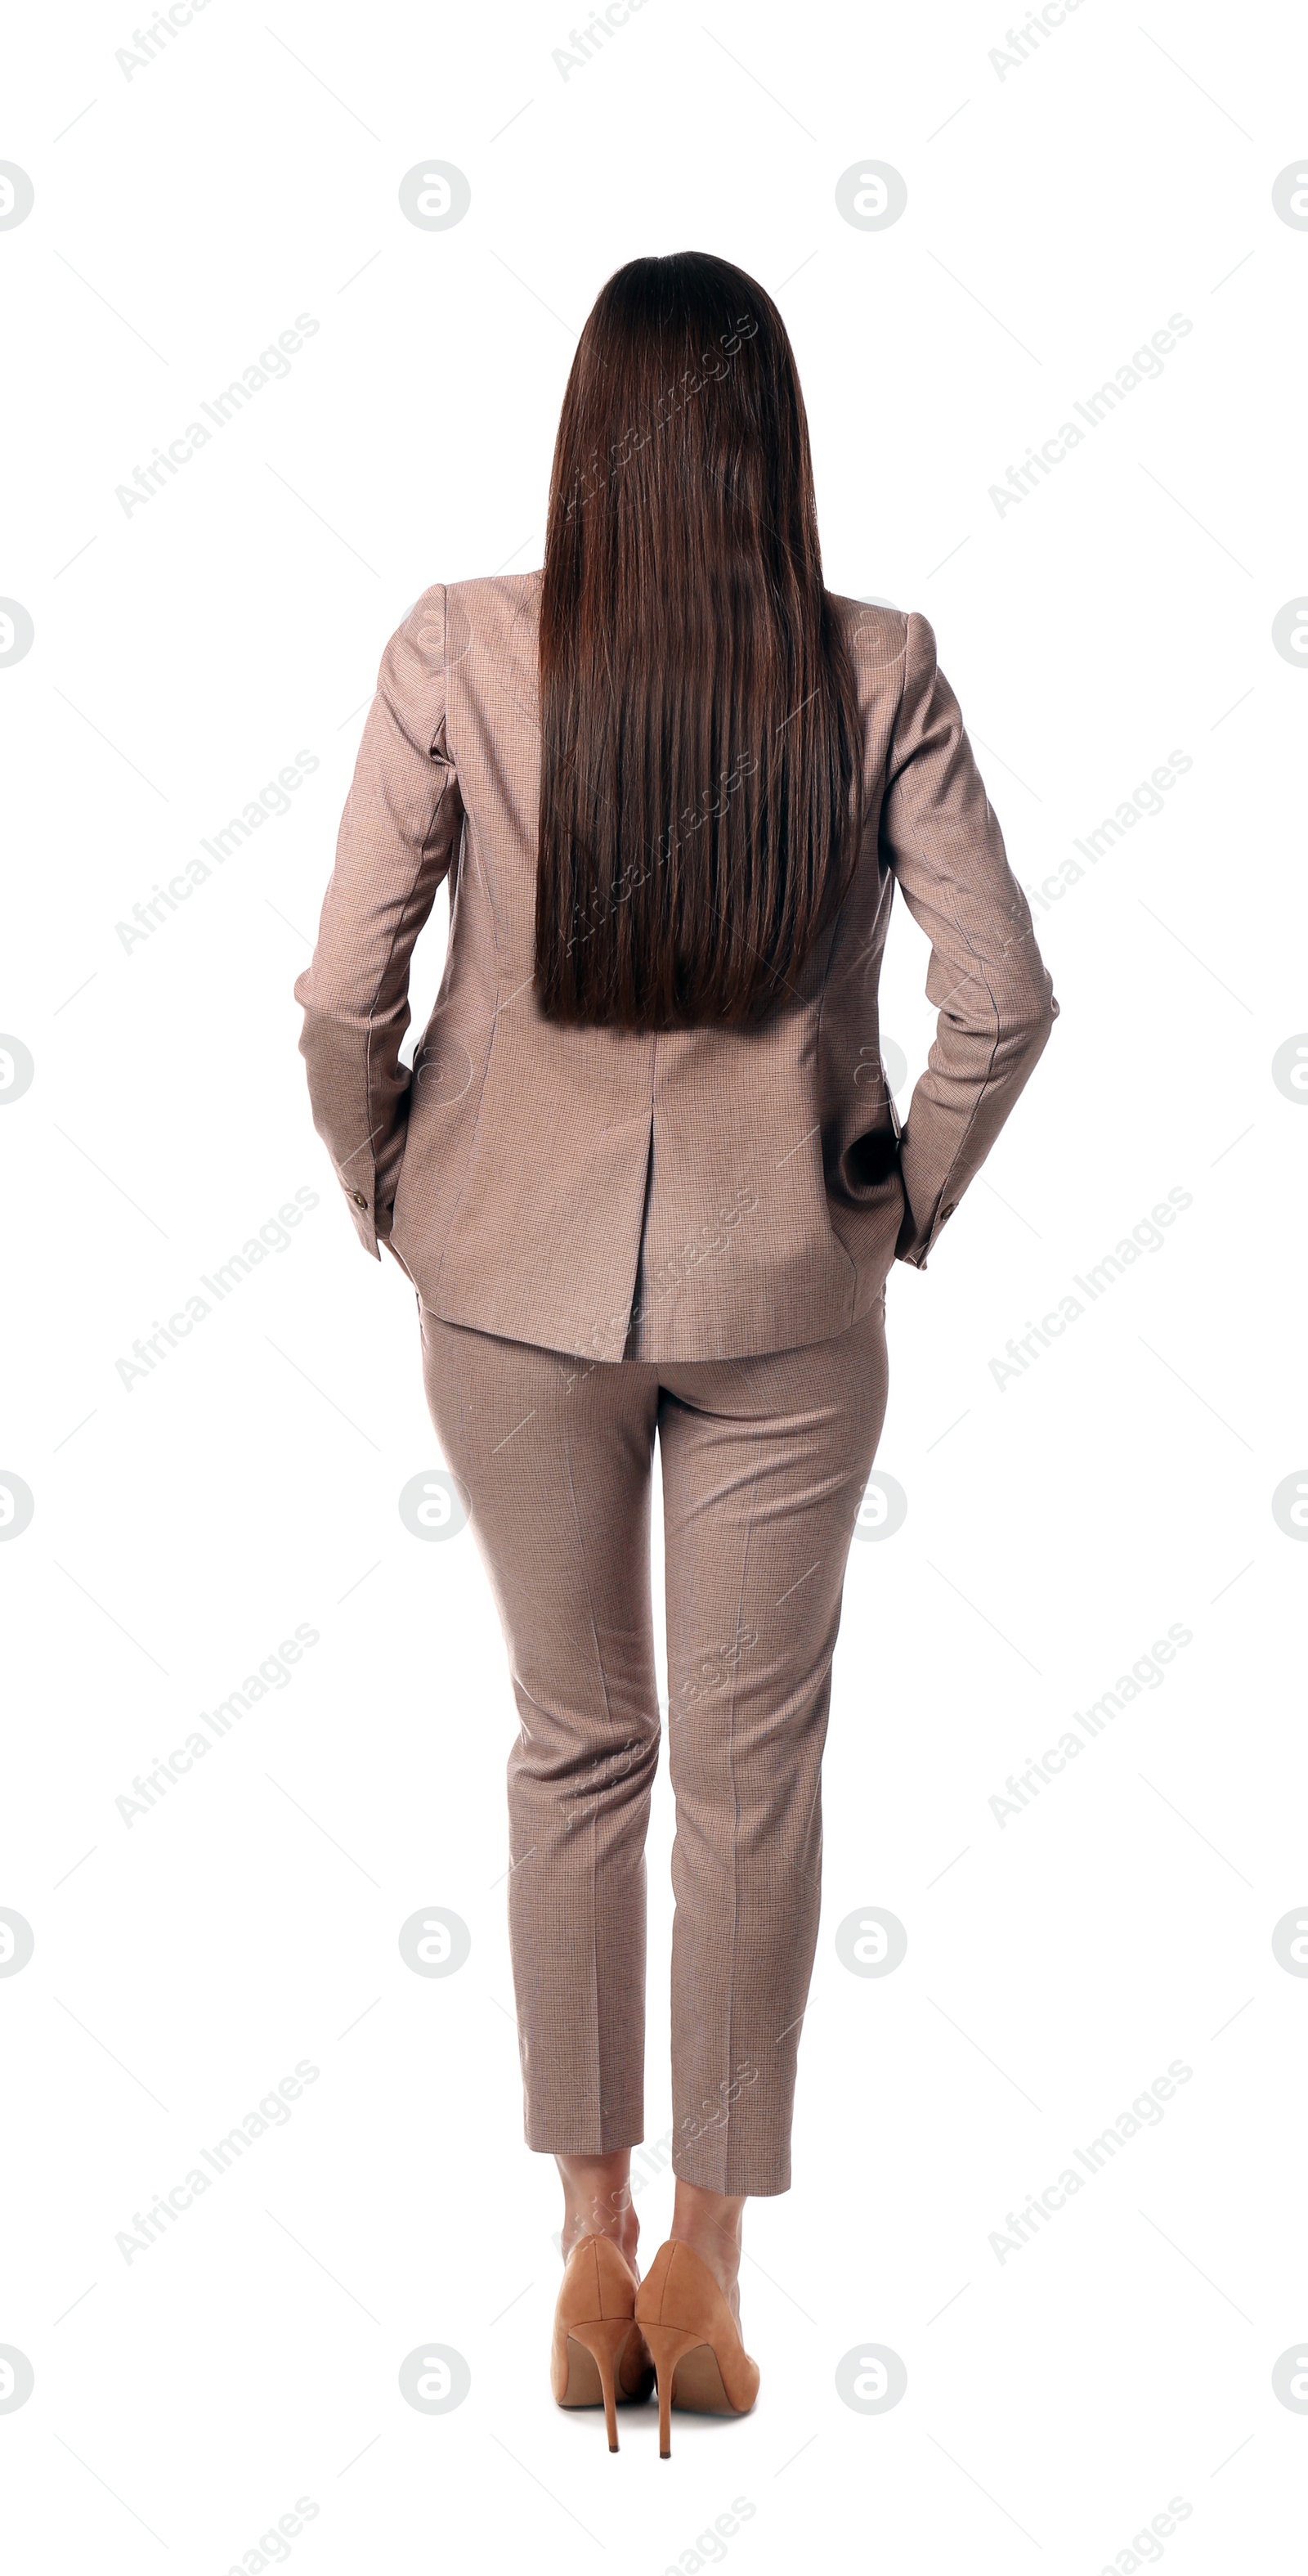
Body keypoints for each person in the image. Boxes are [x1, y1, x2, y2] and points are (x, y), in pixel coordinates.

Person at [294, 249, 1058, 2457]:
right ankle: (712, 2255)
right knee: (752, 1780)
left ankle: (581, 2247)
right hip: (784, 1297)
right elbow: (1001, 994)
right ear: (779, 444)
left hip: (504, 1282)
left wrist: (388, 1186)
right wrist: (899, 1197)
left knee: (574, 1749)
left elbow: (345, 994)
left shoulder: (458, 646)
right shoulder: (880, 663)